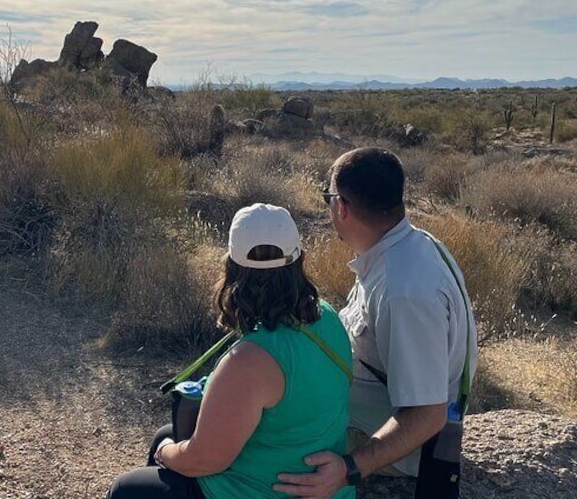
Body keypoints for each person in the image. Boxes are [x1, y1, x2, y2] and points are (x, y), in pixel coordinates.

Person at [106, 203, 354, 499]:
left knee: (129, 488)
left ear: (232, 268)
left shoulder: (249, 361)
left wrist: (165, 454)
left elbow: (204, 460)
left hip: (258, 491)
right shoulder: (327, 316)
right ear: (300, 260)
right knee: (166, 433)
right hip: (317, 482)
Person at [274, 147, 478, 498]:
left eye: (327, 197)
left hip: (398, 447)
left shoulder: (404, 290)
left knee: (268, 439)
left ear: (341, 206)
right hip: (367, 410)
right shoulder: (404, 248)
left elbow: (427, 416)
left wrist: (350, 468)